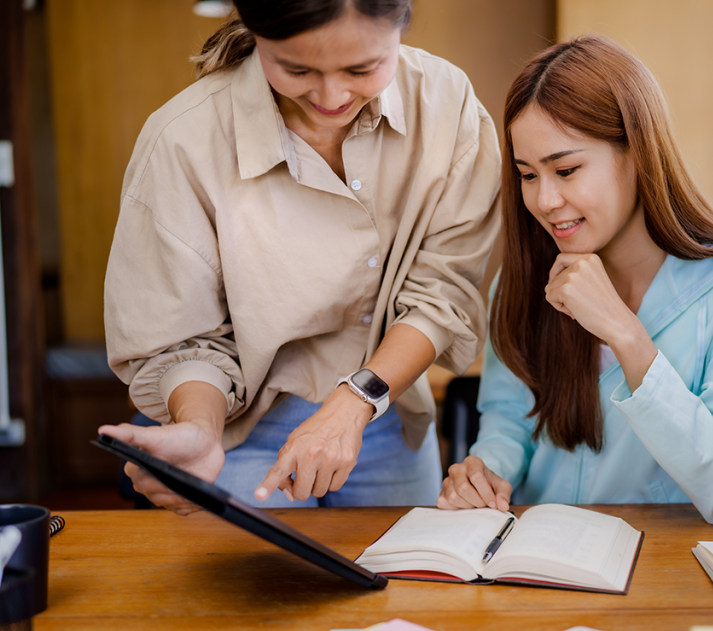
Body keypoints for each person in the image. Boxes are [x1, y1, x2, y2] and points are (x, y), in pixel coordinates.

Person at [99, 0, 500, 514]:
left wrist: (355, 403)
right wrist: (199, 430)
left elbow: (443, 292)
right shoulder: (182, 140)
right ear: (258, 34)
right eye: (297, 69)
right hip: (239, 437)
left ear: (401, 25)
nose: (332, 96)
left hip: (387, 417)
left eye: (362, 68)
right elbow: (183, 342)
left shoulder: (447, 105)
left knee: (407, 590)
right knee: (255, 593)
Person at [436, 36, 713, 524]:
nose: (544, 201)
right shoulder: (525, 278)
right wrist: (485, 471)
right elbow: (508, 423)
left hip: (668, 571)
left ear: (637, 154)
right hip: (540, 560)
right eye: (528, 175)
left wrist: (625, 335)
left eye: (566, 169)